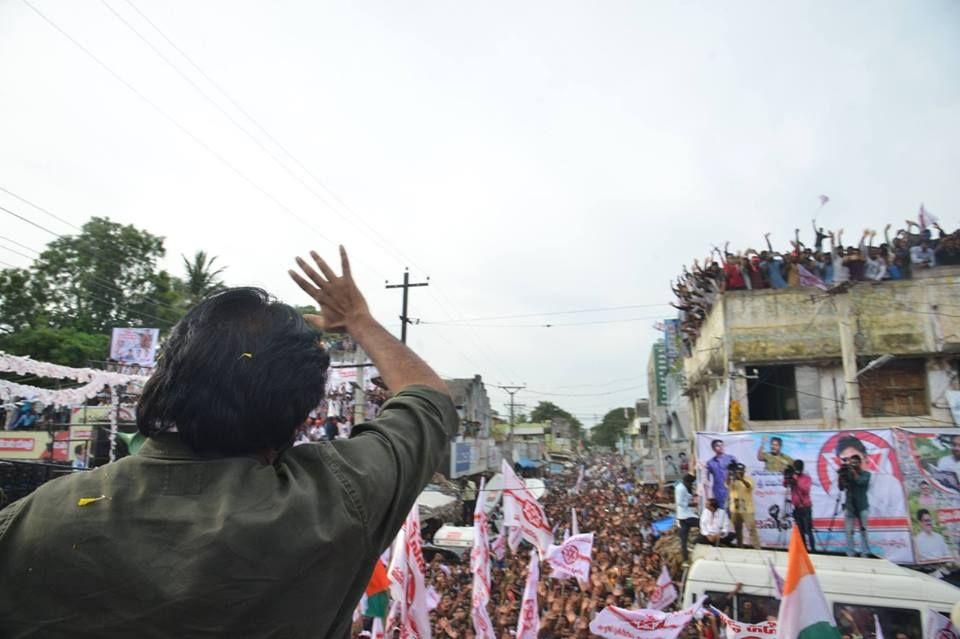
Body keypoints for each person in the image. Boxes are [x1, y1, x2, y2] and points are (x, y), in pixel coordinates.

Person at [0, 247, 458, 637]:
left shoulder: (29, 521)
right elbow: (430, 401)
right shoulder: (334, 501)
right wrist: (360, 322)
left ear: (163, 380)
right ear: (299, 415)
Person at [839, 451, 872, 557]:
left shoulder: (866, 474)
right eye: (851, 463)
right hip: (850, 506)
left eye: (855, 463)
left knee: (863, 531)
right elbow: (841, 487)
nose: (853, 465)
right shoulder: (848, 474)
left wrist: (854, 473)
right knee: (849, 531)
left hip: (862, 506)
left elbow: (861, 482)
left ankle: (865, 553)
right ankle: (850, 553)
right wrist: (841, 476)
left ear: (860, 463)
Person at [726, 464, 761, 549]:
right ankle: (740, 547)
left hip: (747, 509)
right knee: (738, 530)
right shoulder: (732, 480)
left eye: (741, 471)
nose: (739, 473)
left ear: (744, 471)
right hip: (735, 508)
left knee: (751, 529)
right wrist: (729, 474)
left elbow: (749, 486)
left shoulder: (748, 479)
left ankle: (757, 548)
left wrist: (741, 479)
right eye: (738, 471)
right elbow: (727, 485)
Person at [785, 459, 815, 551]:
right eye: (795, 467)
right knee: (800, 530)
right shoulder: (793, 476)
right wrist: (788, 476)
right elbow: (785, 484)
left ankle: (813, 550)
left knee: (808, 530)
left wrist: (796, 480)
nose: (797, 469)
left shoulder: (806, 478)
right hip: (797, 507)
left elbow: (805, 490)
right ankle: (803, 550)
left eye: (798, 468)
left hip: (805, 507)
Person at [705, 439, 737, 509]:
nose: (721, 447)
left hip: (732, 489)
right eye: (718, 446)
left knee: (733, 511)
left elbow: (738, 473)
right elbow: (706, 479)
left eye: (722, 445)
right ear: (713, 449)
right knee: (721, 511)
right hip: (718, 490)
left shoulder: (731, 459)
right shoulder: (710, 462)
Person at [675, 473, 699, 563]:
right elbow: (680, 503)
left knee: (683, 540)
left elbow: (687, 497)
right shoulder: (680, 489)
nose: (691, 485)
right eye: (691, 483)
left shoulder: (684, 487)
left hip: (685, 515)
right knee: (702, 524)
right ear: (686, 482)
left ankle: (687, 554)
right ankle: (685, 558)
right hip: (685, 516)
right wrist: (691, 504)